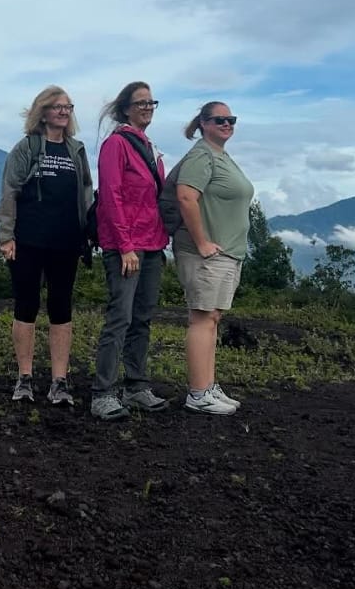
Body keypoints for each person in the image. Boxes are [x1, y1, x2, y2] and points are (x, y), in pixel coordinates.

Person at [0, 87, 94, 405]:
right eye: (56, 107)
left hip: (66, 241)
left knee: (61, 307)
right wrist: (6, 236)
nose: (63, 112)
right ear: (43, 111)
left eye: (68, 107)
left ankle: (59, 382)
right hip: (28, 240)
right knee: (26, 305)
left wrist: (88, 233)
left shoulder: (76, 150)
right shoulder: (26, 148)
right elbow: (10, 190)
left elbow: (86, 192)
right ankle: (24, 378)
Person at [91, 81, 170, 421]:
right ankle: (102, 394)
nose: (147, 107)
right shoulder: (116, 145)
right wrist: (125, 247)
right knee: (120, 318)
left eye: (151, 102)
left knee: (142, 319)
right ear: (125, 109)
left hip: (151, 245)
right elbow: (111, 196)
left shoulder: (149, 147)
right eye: (140, 102)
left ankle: (136, 387)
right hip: (127, 247)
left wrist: (161, 241)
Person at [172, 102, 253, 415]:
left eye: (231, 119)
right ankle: (198, 393)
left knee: (212, 319)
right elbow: (185, 196)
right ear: (203, 123)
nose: (227, 124)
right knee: (202, 319)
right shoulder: (202, 155)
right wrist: (202, 242)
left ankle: (207, 386)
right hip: (205, 255)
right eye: (220, 120)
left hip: (226, 253)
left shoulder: (220, 155)